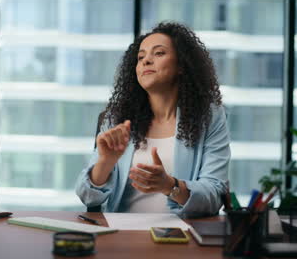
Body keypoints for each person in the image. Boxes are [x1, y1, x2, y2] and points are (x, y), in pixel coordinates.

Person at [75, 22, 230, 218]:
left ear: (182, 65)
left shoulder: (209, 117)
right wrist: (105, 162)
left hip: (182, 238)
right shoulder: (117, 117)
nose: (146, 61)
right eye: (141, 57)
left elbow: (215, 194)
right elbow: (87, 197)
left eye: (158, 53)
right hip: (122, 233)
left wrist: (169, 186)